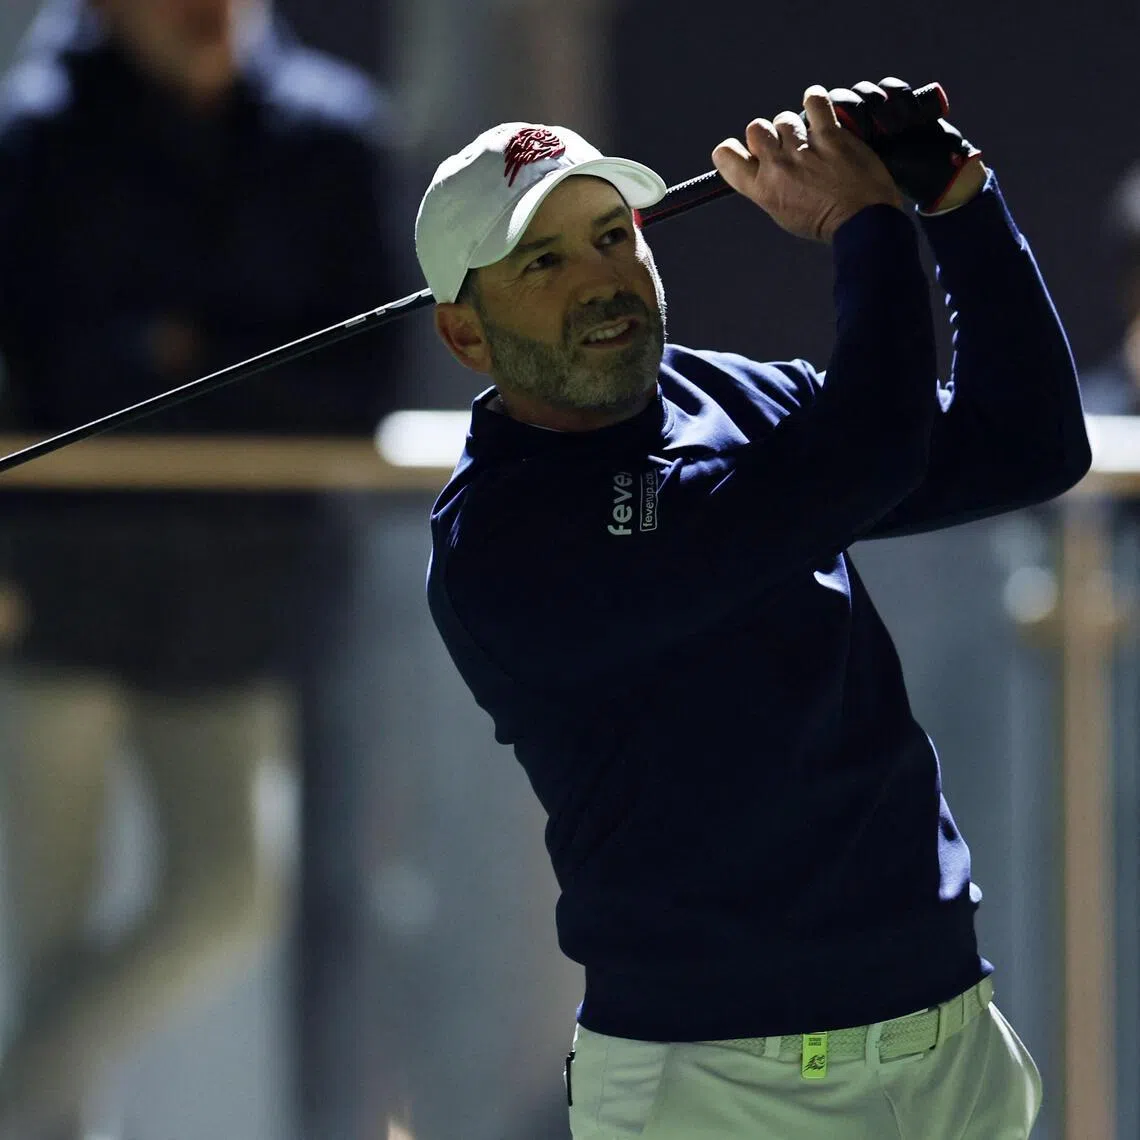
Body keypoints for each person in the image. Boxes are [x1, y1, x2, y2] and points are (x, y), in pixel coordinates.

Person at [416, 79, 1091, 1139]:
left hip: (948, 1051)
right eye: (543, 262)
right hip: (714, 1089)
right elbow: (864, 457)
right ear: (465, 334)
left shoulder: (732, 399)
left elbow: (1029, 443)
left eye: (612, 237)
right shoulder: (499, 543)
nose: (603, 281)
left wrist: (954, 203)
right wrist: (862, 222)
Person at [0, 1, 405, 1135]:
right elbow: (52, 375)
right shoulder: (36, 133)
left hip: (235, 598)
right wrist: (220, 362)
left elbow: (358, 380)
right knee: (48, 931)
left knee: (229, 888)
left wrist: (177, 358)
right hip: (51, 582)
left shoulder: (330, 133)